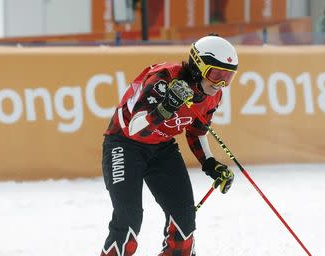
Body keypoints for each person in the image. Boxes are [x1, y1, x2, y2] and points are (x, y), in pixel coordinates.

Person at [100, 35, 238, 256]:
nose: (220, 84)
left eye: (228, 77)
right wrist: (166, 106)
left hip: (162, 148)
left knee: (184, 219)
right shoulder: (164, 78)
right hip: (124, 145)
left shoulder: (213, 96)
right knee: (128, 218)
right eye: (216, 74)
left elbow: (197, 131)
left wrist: (210, 163)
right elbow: (134, 128)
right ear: (198, 66)